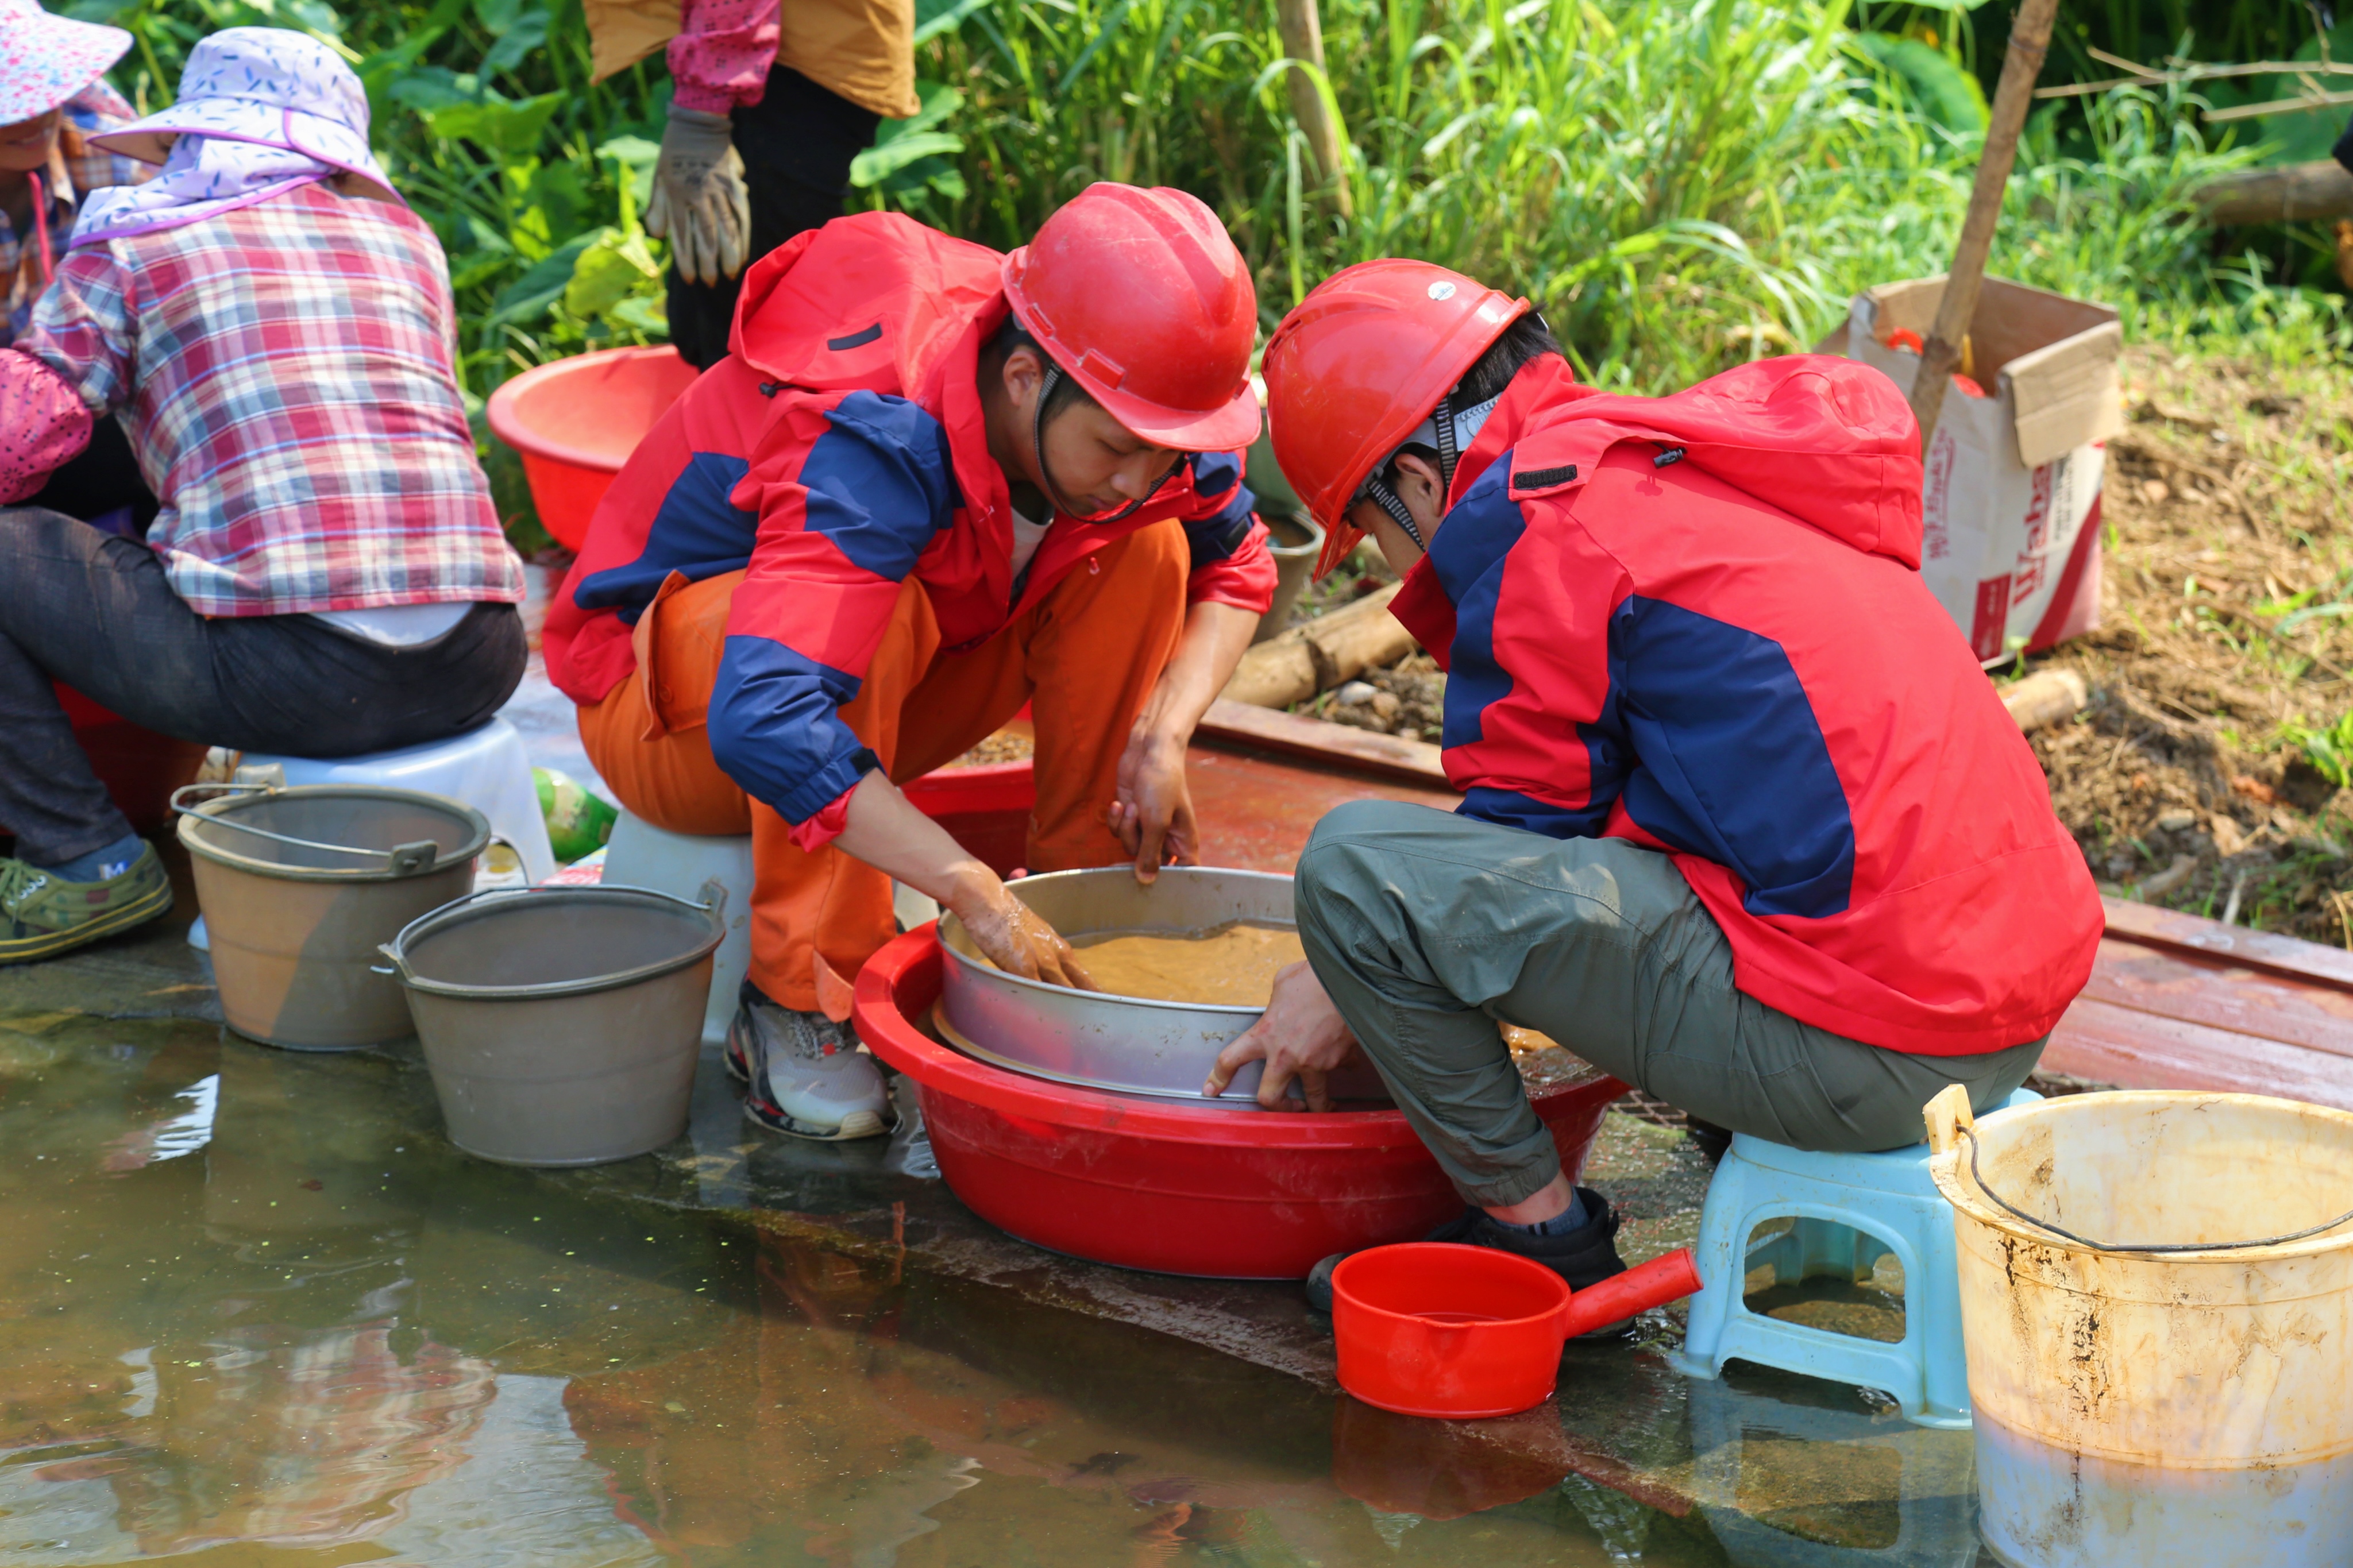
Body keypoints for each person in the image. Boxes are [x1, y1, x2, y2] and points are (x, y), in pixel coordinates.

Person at [1229, 260, 2104, 1308]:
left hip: (1880, 1056)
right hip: (2006, 1014)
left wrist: (1337, 974)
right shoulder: (1665, 470)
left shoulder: (1536, 523)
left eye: (1367, 534)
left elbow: (1514, 845)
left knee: (1354, 871)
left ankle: (1534, 1245)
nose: (1384, 568)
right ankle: (1773, 1175)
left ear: (1418, 479)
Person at [544, 184, 1274, 1141]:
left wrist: (1161, 736)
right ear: (1023, 379)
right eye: (1117, 446)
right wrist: (967, 886)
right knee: (873, 614)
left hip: (849, 694)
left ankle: (1088, 921)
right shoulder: (877, 429)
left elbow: (1239, 564)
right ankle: (803, 1001)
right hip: (673, 714)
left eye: (1163, 448)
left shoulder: (1121, 391)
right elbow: (769, 716)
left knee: (1145, 544)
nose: (1143, 472)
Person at [0, 28, 527, 963]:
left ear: (196, 139)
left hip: (299, 681)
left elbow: (18, 440)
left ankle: (84, 865)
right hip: (482, 654)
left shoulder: (132, 233)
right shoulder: (408, 238)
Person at [582, 0, 919, 368]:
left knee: (748, 334)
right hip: (763, 49)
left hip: (770, 57)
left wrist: (702, 110)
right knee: (704, 318)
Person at [0, 0, 156, 530]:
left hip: (83, 400)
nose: (35, 117)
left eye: (43, 93)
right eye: (12, 104)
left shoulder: (110, 153)